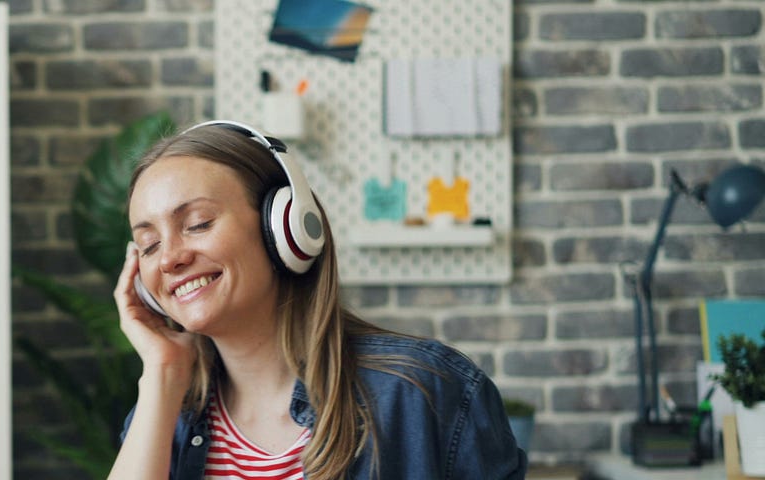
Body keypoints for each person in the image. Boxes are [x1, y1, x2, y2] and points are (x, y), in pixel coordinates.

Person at [109, 120, 526, 479]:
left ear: (286, 227)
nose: (169, 258)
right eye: (148, 244)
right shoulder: (164, 417)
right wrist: (163, 372)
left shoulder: (423, 393)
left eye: (197, 224)